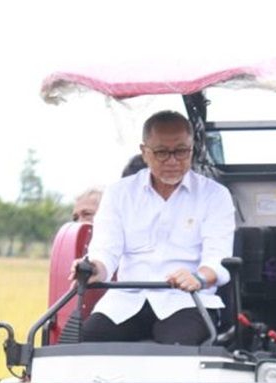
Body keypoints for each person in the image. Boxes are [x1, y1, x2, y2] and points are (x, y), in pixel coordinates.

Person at [65, 111, 235, 345]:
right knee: (86, 341)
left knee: (178, 345)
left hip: (188, 300)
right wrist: (93, 268)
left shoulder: (215, 195)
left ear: (192, 149)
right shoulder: (119, 193)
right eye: (162, 153)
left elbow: (219, 259)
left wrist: (198, 277)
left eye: (181, 151)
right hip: (126, 301)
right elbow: (105, 251)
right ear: (144, 153)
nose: (173, 161)